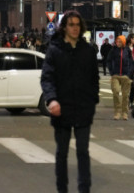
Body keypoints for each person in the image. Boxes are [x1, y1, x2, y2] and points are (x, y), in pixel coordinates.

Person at [40, 11, 99, 193]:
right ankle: (62, 189)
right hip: (61, 108)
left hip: (83, 109)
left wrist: (92, 102)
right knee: (62, 153)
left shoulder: (88, 50)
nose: (75, 28)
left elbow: (94, 79)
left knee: (83, 151)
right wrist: (52, 99)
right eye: (71, 24)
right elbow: (47, 78)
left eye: (77, 25)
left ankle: (84, 189)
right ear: (64, 27)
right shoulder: (54, 50)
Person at [107, 35, 134, 120]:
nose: (118, 43)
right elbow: (109, 61)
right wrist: (112, 72)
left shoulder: (127, 50)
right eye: (117, 41)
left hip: (126, 76)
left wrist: (129, 74)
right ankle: (117, 113)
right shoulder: (113, 50)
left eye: (120, 41)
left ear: (123, 42)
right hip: (115, 75)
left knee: (126, 95)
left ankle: (125, 113)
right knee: (116, 92)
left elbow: (132, 63)